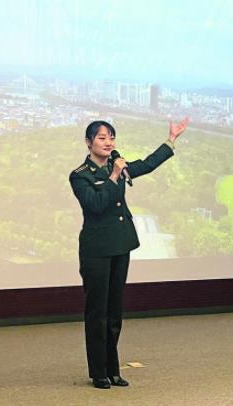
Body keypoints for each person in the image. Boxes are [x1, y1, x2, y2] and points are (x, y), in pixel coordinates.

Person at [69, 117, 189, 389]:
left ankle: (113, 369)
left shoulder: (118, 166)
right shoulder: (80, 175)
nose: (108, 142)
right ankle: (98, 371)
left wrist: (171, 140)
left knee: (114, 312)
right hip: (96, 251)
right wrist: (113, 177)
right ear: (88, 143)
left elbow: (146, 164)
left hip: (120, 246)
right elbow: (96, 204)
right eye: (102, 138)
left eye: (111, 137)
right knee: (97, 313)